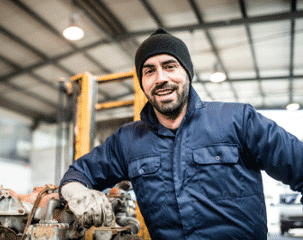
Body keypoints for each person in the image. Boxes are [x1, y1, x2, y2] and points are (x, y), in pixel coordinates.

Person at [59, 28, 303, 239]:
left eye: (169, 66)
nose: (161, 78)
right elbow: (76, 174)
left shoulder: (238, 120)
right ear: (142, 81)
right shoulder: (127, 140)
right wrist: (77, 193)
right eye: (149, 71)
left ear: (187, 72)